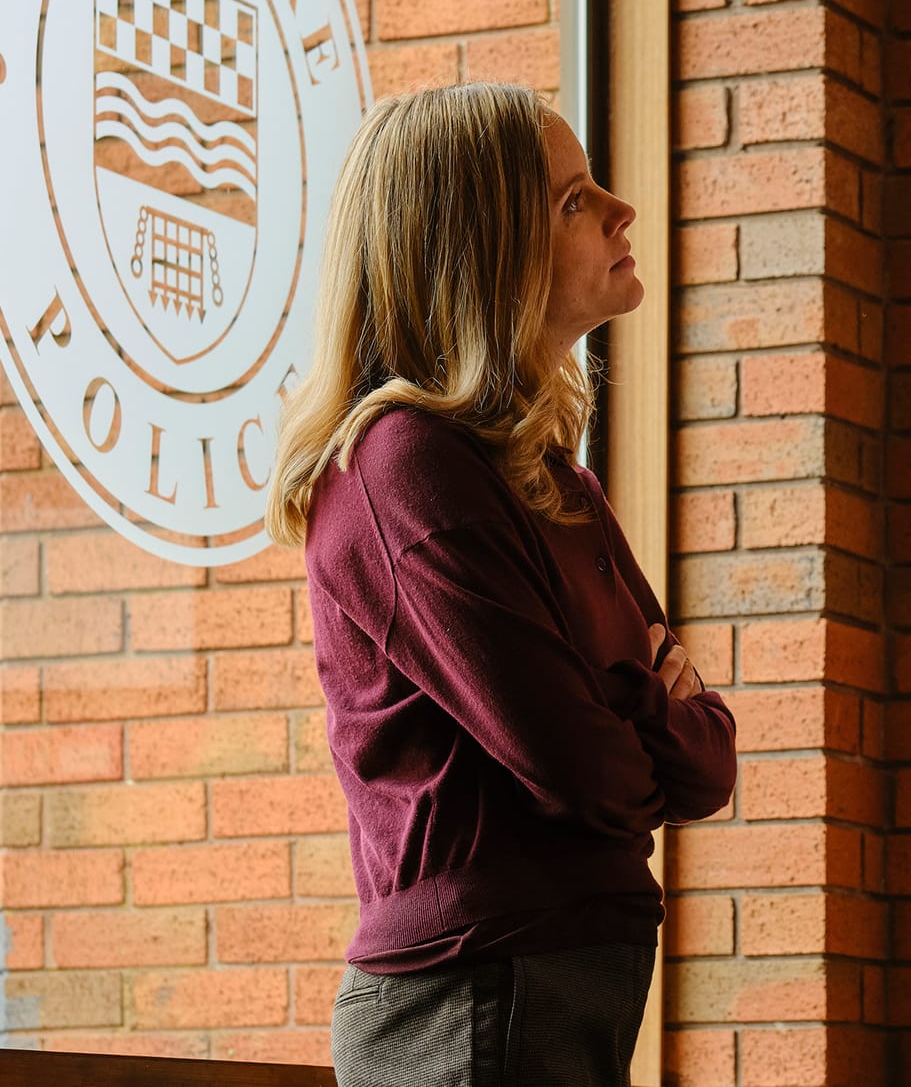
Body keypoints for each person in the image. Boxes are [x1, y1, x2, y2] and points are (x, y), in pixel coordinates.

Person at [265, 83, 736, 1087]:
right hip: (470, 1005)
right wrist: (651, 699)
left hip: (543, 993)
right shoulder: (403, 466)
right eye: (572, 200)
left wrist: (625, 715)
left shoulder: (546, 475)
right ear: (478, 254)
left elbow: (704, 767)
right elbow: (578, 764)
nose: (622, 210)